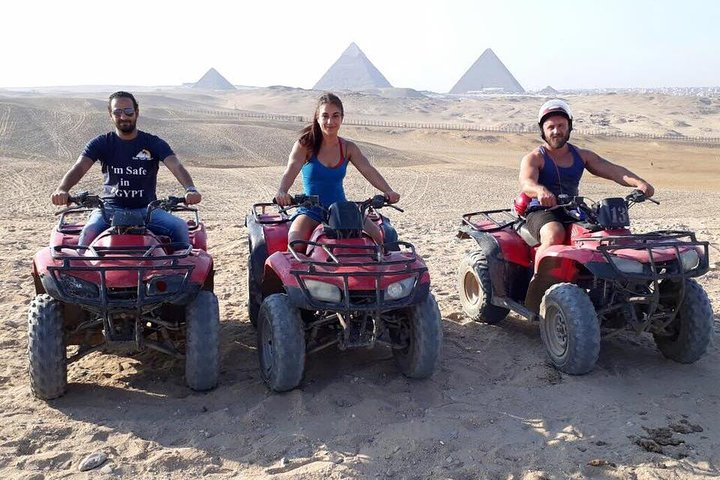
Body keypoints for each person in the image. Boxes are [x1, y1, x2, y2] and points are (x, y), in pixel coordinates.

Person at [51, 91, 202, 246]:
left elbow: (176, 165)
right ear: (111, 114)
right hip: (108, 209)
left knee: (179, 227)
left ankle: (177, 269)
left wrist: (190, 188)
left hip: (147, 210)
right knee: (89, 232)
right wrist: (62, 189)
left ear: (136, 112)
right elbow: (80, 167)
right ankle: (81, 270)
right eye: (117, 112)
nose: (123, 117)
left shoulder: (153, 143)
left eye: (128, 111)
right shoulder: (101, 143)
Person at [518, 98, 655, 259]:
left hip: (573, 209)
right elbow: (527, 183)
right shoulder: (534, 158)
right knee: (554, 235)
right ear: (543, 131)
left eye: (561, 126)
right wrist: (540, 191)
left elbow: (614, 171)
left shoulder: (582, 156)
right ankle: (537, 281)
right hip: (542, 210)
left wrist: (640, 183)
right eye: (551, 127)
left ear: (569, 127)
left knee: (604, 236)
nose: (556, 131)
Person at [274, 93, 400, 251]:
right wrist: (282, 191)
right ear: (317, 118)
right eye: (325, 116)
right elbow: (291, 169)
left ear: (342, 118)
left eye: (335, 116)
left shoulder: (348, 148)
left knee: (377, 236)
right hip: (311, 210)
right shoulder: (305, 145)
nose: (330, 122)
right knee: (295, 243)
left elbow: (368, 169)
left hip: (341, 209)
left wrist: (388, 191)